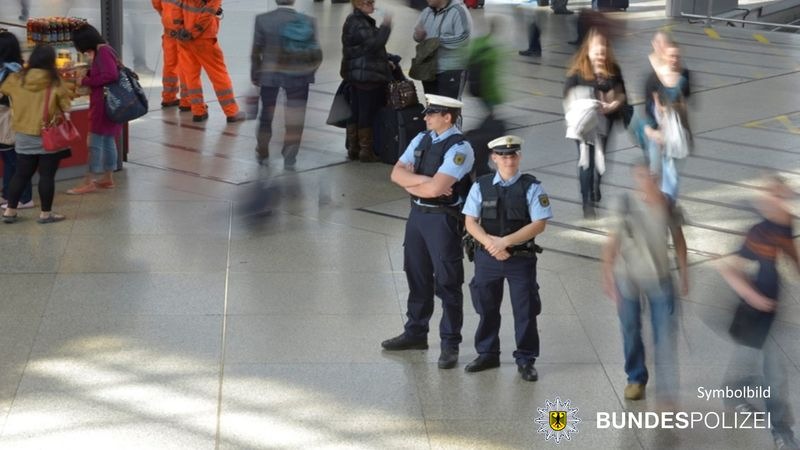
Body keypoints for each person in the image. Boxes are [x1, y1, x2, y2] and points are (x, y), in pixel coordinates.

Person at [381, 94, 475, 370]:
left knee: (447, 280)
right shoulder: (422, 139)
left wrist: (417, 183)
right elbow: (395, 174)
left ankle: (450, 343)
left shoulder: (460, 148)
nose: (426, 117)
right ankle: (416, 333)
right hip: (418, 216)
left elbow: (437, 190)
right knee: (416, 273)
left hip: (443, 220)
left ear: (448, 117)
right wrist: (422, 182)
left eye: (432, 113)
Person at [461, 135, 552, 382]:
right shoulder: (481, 185)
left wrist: (505, 242)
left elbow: (539, 224)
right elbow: (470, 222)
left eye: (512, 155)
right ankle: (487, 353)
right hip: (487, 257)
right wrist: (491, 244)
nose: (508, 159)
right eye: (502, 155)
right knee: (486, 306)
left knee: (525, 310)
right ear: (494, 158)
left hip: (519, 259)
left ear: (519, 157)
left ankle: (525, 358)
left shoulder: (532, 187)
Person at [718, 176, 799, 450]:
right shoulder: (759, 232)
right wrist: (752, 295)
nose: (781, 201)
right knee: (773, 373)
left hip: (771, 310)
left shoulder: (784, 222)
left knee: (749, 358)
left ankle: (732, 392)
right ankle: (782, 432)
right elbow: (728, 267)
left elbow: (789, 252)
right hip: (755, 310)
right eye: (774, 196)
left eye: (782, 195)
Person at [601, 160, 688, 403]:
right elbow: (611, 242)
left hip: (660, 279)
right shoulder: (624, 204)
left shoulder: (669, 205)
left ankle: (666, 386)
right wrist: (607, 275)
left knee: (664, 333)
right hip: (627, 278)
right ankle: (636, 378)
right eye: (641, 176)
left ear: (657, 177)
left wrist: (684, 273)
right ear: (635, 178)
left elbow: (679, 240)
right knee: (630, 329)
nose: (646, 180)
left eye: (650, 175)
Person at [0, 45, 73, 224]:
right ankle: (45, 214)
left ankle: (10, 211)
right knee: (47, 176)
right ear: (51, 61)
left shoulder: (17, 79)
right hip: (48, 135)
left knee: (21, 174)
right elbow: (66, 105)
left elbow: (4, 92)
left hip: (23, 134)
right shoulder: (55, 82)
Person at [563, 27, 626, 219]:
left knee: (600, 159)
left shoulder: (613, 70)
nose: (600, 55)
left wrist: (613, 104)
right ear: (588, 50)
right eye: (596, 51)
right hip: (584, 125)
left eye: (603, 51)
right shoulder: (577, 72)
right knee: (586, 162)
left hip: (605, 124)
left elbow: (622, 93)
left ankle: (596, 185)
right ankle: (587, 202)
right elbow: (567, 96)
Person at [251, 0, 321, 170]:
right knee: (295, 116)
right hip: (299, 75)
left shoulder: (263, 19)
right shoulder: (308, 21)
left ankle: (262, 151)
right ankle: (290, 155)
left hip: (270, 75)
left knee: (267, 114)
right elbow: (315, 52)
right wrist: (309, 72)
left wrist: (255, 74)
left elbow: (256, 51)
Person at [66, 24, 122, 195]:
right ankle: (108, 177)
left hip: (102, 105)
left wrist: (84, 81)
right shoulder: (106, 49)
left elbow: (110, 75)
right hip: (111, 104)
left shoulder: (103, 52)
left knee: (94, 143)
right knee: (107, 140)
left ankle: (88, 181)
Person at [175, 0, 246, 123]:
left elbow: (177, 8)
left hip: (184, 36)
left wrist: (180, 29)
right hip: (203, 37)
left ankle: (198, 111)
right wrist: (194, 32)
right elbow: (208, 11)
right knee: (218, 74)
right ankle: (231, 111)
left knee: (191, 75)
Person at [340, 0, 392, 163]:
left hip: (357, 74)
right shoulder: (359, 23)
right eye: (368, 2)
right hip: (366, 76)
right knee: (365, 113)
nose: (372, 5)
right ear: (359, 5)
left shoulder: (356, 21)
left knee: (356, 111)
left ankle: (354, 147)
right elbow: (374, 44)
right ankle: (365, 150)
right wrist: (386, 26)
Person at [642, 34, 691, 202]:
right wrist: (651, 131)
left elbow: (685, 106)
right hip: (657, 134)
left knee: (673, 176)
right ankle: (655, 204)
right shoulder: (653, 79)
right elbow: (648, 109)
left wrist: (671, 109)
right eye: (671, 56)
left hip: (676, 134)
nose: (674, 60)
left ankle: (669, 205)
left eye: (677, 56)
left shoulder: (684, 79)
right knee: (656, 172)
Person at [0, 30, 34, 210]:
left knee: (15, 162)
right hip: (6, 123)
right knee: (8, 160)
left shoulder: (13, 71)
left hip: (11, 122)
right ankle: (7, 194)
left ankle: (25, 197)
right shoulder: (12, 68)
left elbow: (13, 98)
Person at [413, 0, 472, 99]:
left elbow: (463, 38)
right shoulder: (426, 12)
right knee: (432, 109)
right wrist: (418, 36)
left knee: (448, 109)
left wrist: (438, 41)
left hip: (451, 69)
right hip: (429, 70)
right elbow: (417, 36)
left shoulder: (458, 11)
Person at [152, 0, 191, 109]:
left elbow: (156, 3)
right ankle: (187, 100)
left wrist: (165, 13)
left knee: (170, 64)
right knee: (187, 65)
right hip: (184, 29)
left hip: (169, 28)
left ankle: (168, 97)